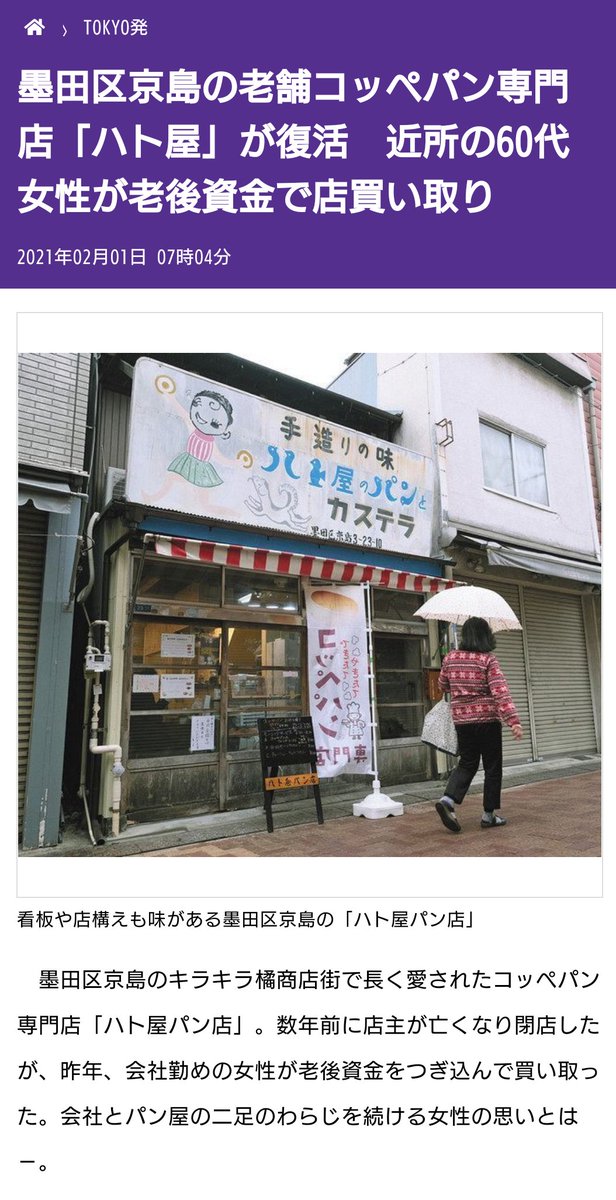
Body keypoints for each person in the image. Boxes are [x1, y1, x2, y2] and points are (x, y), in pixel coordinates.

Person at [434, 616, 523, 833]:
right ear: (485, 636)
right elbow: (500, 691)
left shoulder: (451, 657)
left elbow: (442, 685)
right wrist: (513, 720)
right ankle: (488, 815)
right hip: (487, 720)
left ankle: (448, 800)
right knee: (492, 766)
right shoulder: (488, 660)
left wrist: (458, 679)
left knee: (467, 762)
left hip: (462, 721)